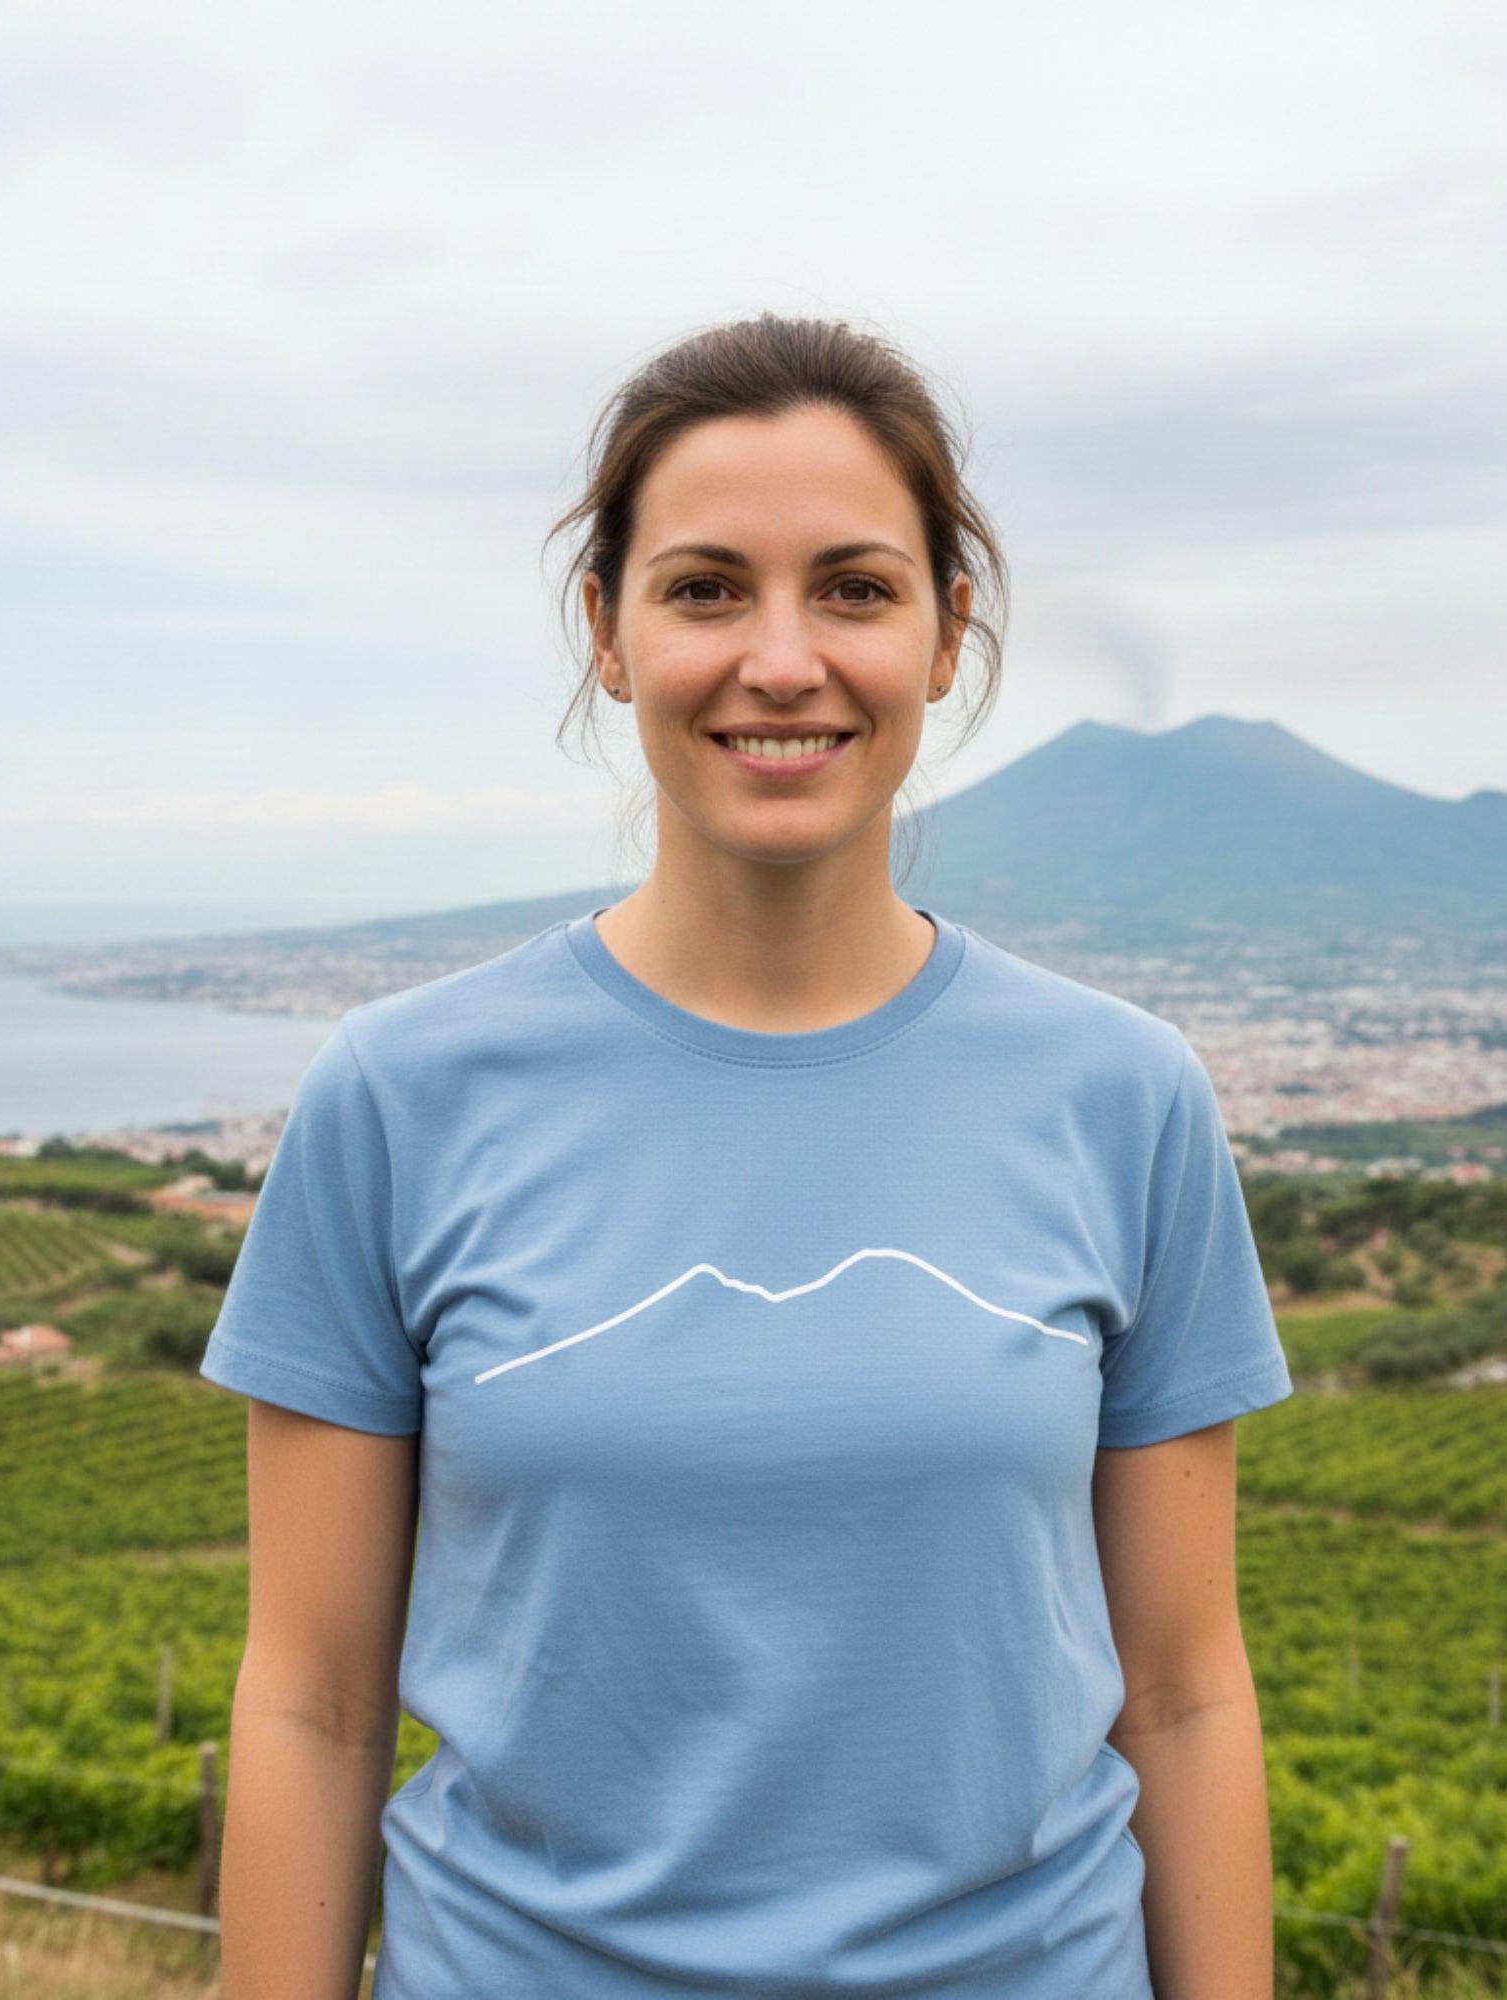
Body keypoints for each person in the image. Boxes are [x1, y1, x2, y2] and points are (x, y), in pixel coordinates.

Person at [198, 310, 1294, 1998]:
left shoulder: (1123, 1095)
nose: (782, 658)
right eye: (706, 587)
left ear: (946, 635)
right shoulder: (400, 1095)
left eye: (855, 588)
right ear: (609, 633)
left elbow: (1186, 1690)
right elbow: (312, 1702)